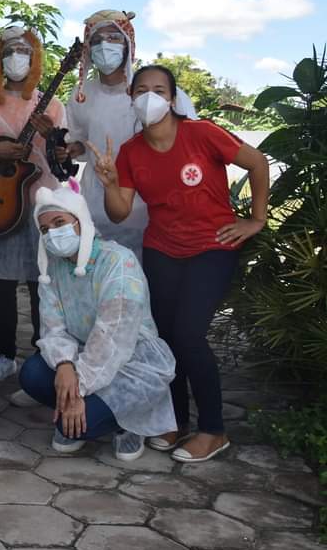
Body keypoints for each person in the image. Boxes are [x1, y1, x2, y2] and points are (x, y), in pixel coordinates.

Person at [93, 64, 269, 463]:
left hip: (213, 247)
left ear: (172, 99)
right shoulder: (131, 152)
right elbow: (120, 213)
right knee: (167, 338)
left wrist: (255, 219)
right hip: (161, 249)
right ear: (131, 98)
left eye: (159, 89)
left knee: (189, 335)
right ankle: (174, 421)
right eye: (141, 89)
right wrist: (108, 185)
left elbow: (257, 163)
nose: (149, 96)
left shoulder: (201, 134)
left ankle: (213, 430)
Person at [18, 186, 178, 462]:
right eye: (45, 229)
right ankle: (86, 411)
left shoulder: (117, 262)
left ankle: (125, 424)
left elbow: (113, 335)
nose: (53, 234)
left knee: (78, 426)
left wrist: (77, 388)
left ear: (80, 221)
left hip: (132, 361)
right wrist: (65, 366)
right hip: (82, 354)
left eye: (60, 223)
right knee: (31, 374)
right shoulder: (53, 270)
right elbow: (53, 326)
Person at [0, 26, 66, 386]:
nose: (15, 57)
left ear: (35, 58)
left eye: (24, 51)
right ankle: (4, 353)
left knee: (42, 283)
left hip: (42, 205)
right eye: (8, 50)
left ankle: (43, 356)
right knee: (3, 284)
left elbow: (62, 164)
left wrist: (52, 134)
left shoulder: (52, 105)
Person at [63, 10, 198, 260]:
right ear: (88, 48)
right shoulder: (82, 93)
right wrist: (73, 149)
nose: (105, 45)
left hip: (152, 206)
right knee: (104, 278)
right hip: (98, 202)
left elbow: (189, 144)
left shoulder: (155, 90)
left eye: (114, 38)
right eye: (97, 40)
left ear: (128, 44)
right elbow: (81, 140)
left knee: (152, 283)